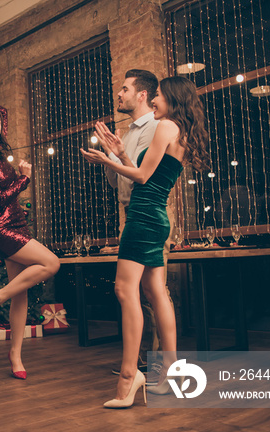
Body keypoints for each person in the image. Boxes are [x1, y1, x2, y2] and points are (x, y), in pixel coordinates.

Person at [81, 76, 209, 408]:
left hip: (142, 217)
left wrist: (105, 160)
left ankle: (129, 376)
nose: (154, 101)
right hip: (154, 216)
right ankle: (170, 372)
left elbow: (140, 177)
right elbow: (144, 172)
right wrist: (122, 152)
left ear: (172, 99)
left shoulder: (165, 126)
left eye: (159, 97)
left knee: (125, 290)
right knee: (155, 291)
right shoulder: (178, 129)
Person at [0, 92, 60, 379]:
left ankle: (15, 355)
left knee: (22, 291)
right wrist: (24, 178)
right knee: (52, 263)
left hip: (17, 224)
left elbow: (1, 110)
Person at [97, 70, 173, 377]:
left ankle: (154, 366)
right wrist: (109, 154)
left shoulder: (159, 127)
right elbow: (118, 182)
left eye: (124, 89)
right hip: (131, 213)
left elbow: (144, 175)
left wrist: (112, 158)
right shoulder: (127, 132)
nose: (119, 94)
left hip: (147, 213)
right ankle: (144, 363)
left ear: (141, 94)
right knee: (140, 292)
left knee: (152, 292)